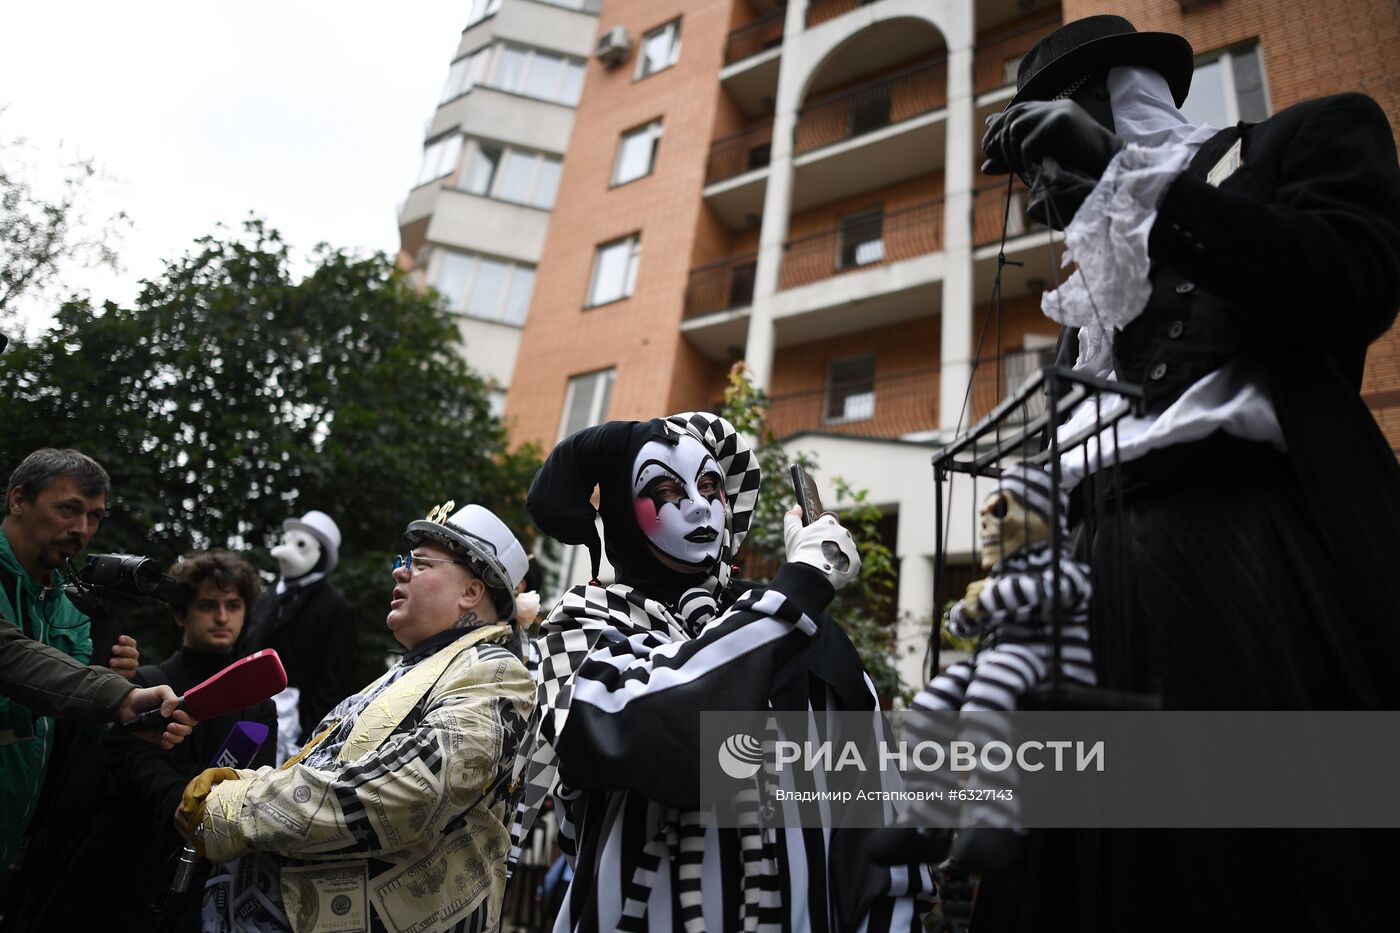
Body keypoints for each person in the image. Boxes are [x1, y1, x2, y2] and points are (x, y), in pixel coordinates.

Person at [976, 14, 1400, 931]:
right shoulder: (1089, 292)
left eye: (1046, 146)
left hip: (1247, 554)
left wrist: (1142, 184)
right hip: (1095, 588)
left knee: (1256, 855)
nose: (1042, 191)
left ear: (1105, 105)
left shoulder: (1307, 137)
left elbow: (1351, 285)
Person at [516, 411, 933, 932]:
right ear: (622, 511)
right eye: (666, 489)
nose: (698, 506)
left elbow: (872, 803)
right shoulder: (581, 628)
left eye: (710, 484)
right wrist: (795, 594)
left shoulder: (791, 628)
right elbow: (664, 738)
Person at [185, 503, 536, 933]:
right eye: (402, 561)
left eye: (419, 563)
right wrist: (247, 784)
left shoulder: (494, 671)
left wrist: (243, 806)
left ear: (471, 592)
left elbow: (411, 789)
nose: (399, 572)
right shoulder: (420, 668)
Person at [99, 550, 278, 931]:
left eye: (233, 605)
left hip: (220, 884)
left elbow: (258, 784)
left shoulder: (260, 705)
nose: (222, 617)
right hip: (139, 875)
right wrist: (179, 798)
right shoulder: (145, 684)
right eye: (208, 605)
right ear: (180, 614)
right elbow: (130, 763)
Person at [0, 448, 147, 874]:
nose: (81, 529)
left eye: (95, 516)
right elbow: (11, 656)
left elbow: (81, 726)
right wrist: (113, 694)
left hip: (21, 839)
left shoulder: (70, 603)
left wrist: (113, 677)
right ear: (18, 500)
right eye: (69, 509)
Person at [240, 510, 356, 750]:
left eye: (301, 544)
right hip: (246, 710)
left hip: (295, 728)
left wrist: (310, 735)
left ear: (320, 554)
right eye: (286, 541)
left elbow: (333, 682)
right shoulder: (265, 599)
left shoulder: (336, 608)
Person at [0, 621, 191, 737]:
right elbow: (9, 653)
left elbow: (88, 732)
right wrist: (118, 696)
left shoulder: (71, 602)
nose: (221, 618)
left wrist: (117, 694)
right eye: (207, 606)